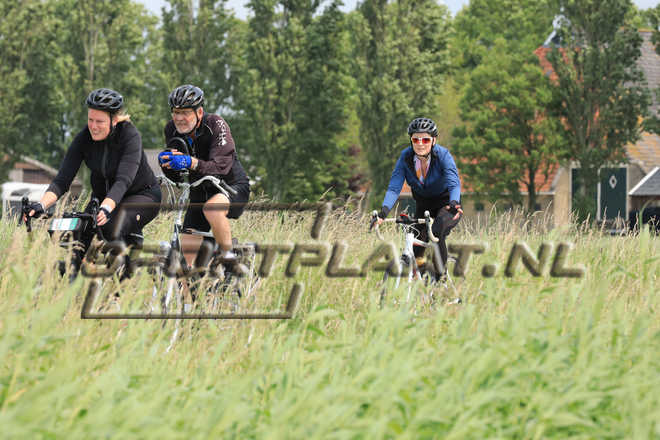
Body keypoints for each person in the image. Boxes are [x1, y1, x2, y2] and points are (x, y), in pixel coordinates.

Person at [25, 88, 162, 277]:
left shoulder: (130, 136)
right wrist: (41, 205)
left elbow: (123, 181)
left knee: (110, 227)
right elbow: (62, 180)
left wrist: (106, 208)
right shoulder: (84, 138)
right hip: (103, 198)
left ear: (114, 120)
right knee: (79, 236)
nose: (93, 126)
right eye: (90, 120)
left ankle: (125, 281)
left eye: (100, 121)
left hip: (141, 195)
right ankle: (75, 278)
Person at [158, 84, 250, 267]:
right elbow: (178, 177)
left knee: (212, 209)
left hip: (230, 186)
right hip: (199, 191)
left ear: (199, 112)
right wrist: (167, 165)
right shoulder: (171, 130)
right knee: (186, 263)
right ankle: (192, 285)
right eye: (176, 112)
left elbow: (221, 167)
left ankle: (229, 260)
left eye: (185, 113)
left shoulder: (215, 124)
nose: (179, 118)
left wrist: (192, 162)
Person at [375, 117, 463, 275]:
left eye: (425, 139)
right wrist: (384, 212)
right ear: (411, 140)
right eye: (416, 139)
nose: (420, 144)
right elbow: (394, 188)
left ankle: (440, 279)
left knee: (436, 231)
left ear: (434, 140)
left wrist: (454, 202)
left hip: (447, 205)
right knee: (415, 243)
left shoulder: (443, 155)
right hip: (423, 205)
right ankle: (420, 279)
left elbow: (454, 183)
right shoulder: (405, 157)